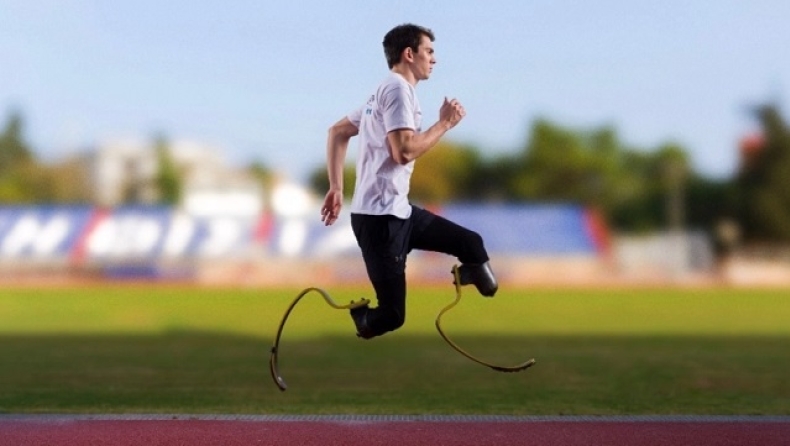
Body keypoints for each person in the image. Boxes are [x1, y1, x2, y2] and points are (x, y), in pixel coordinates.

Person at [320, 23, 498, 340]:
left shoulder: (383, 92)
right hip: (379, 222)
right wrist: (444, 124)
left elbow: (338, 132)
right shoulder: (398, 90)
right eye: (429, 51)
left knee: (472, 245)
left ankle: (468, 274)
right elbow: (403, 152)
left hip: (400, 212)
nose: (434, 59)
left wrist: (336, 187)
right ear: (409, 53)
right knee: (391, 316)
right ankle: (363, 319)